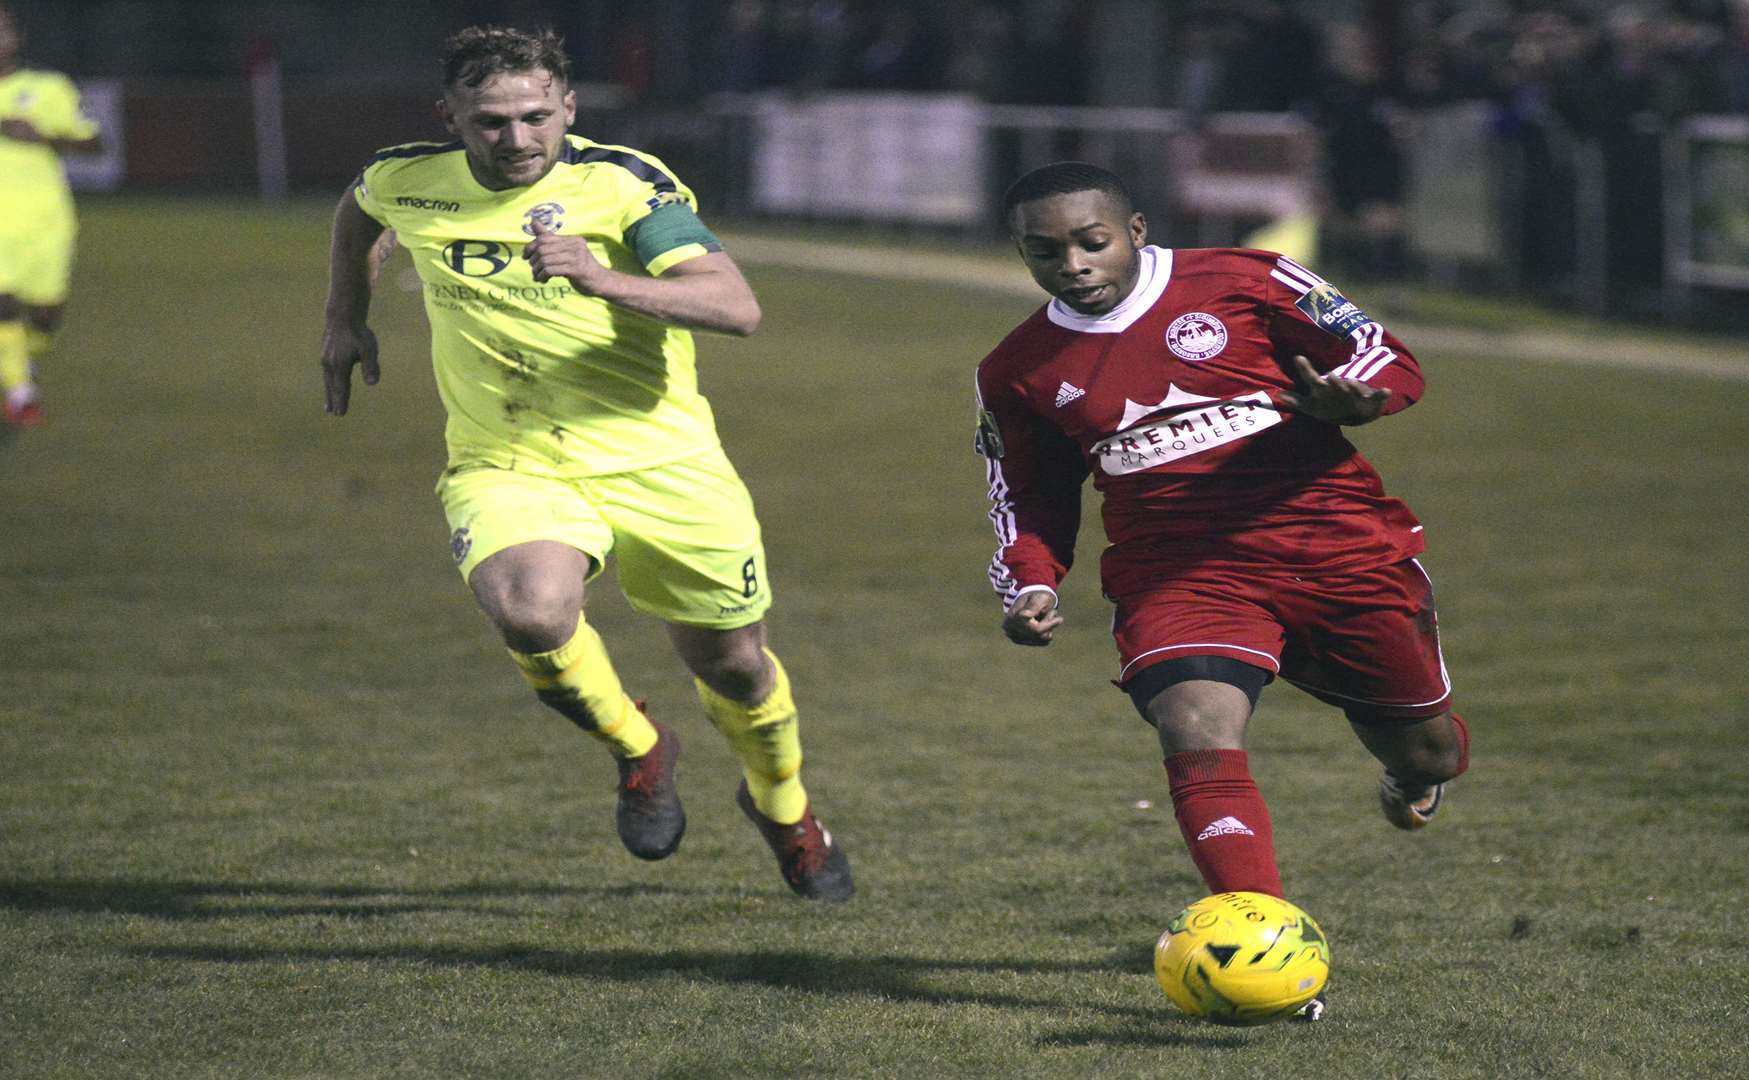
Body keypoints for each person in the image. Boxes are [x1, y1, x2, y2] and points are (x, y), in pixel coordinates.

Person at [319, 25, 852, 901]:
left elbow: (736, 305)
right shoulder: (406, 176)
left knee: (733, 665)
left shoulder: (626, 186)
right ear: (448, 116)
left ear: (570, 108)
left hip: (662, 459)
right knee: (530, 613)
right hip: (509, 457)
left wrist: (605, 280)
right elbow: (361, 210)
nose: (518, 140)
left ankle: (784, 808)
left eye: (537, 117)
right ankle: (641, 747)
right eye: (491, 121)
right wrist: (344, 313)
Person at [973, 163, 1470, 1014]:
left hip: (1336, 546)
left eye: (1091, 243)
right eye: (1044, 252)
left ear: (1134, 232)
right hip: (1180, 570)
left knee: (1432, 750)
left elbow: (1380, 351)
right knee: (1194, 722)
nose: (1073, 266)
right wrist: (1029, 581)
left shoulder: (1247, 281)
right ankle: (1263, 953)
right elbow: (1026, 494)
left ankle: (1408, 777)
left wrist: (1362, 398)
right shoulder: (1017, 369)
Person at [0, 2, 102, 429]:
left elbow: (96, 146)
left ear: (16, 37)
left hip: (46, 223)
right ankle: (19, 392)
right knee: (3, 304)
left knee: (47, 313)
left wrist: (39, 135)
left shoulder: (49, 87)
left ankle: (25, 358)